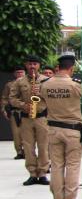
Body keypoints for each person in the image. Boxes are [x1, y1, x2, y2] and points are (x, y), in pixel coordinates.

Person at [40, 53, 82, 199]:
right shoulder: (75, 84)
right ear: (71, 68)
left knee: (57, 165)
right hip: (72, 130)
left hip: (52, 129)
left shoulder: (45, 84)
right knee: (72, 165)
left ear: (58, 68)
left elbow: (41, 104)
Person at [9, 54, 50, 185]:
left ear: (39, 65)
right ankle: (32, 173)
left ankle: (43, 173)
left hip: (42, 117)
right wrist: (23, 105)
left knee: (44, 147)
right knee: (28, 147)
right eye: (30, 64)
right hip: (26, 118)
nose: (32, 66)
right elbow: (12, 98)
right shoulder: (19, 82)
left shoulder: (47, 81)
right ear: (26, 65)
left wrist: (40, 93)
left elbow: (52, 99)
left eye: (35, 64)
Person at [2, 65, 26, 159]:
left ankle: (28, 151)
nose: (19, 74)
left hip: (27, 111)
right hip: (15, 111)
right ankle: (19, 152)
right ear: (14, 74)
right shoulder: (9, 85)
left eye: (21, 72)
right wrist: (4, 109)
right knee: (16, 133)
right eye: (17, 72)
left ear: (25, 73)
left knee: (27, 133)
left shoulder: (30, 83)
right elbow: (4, 98)